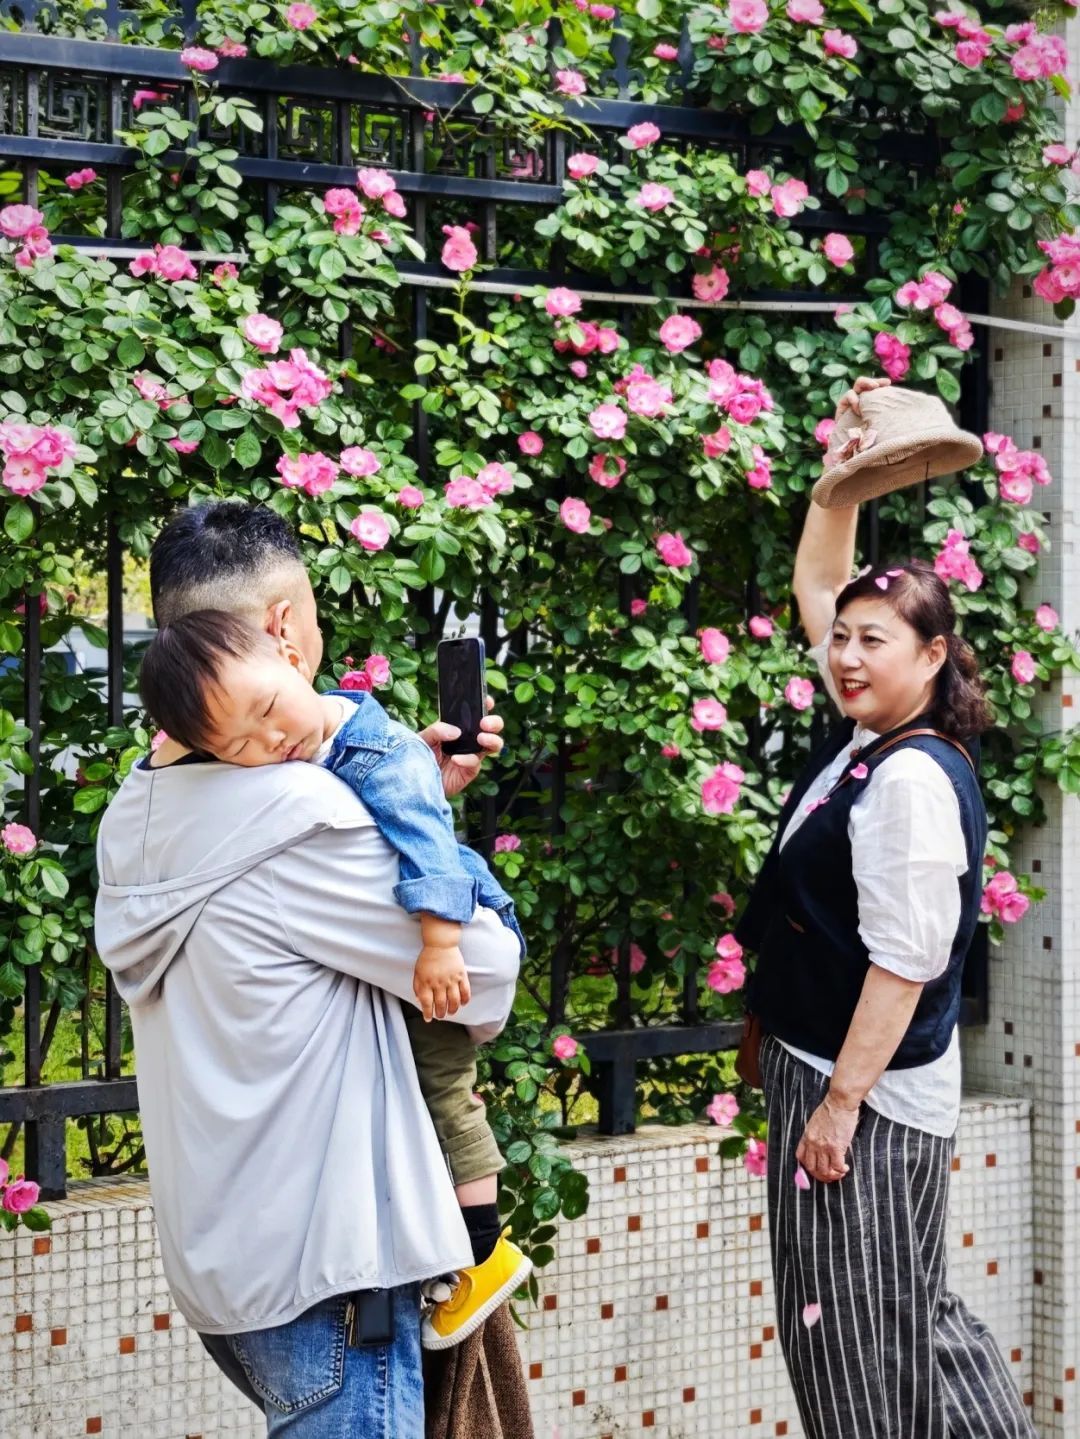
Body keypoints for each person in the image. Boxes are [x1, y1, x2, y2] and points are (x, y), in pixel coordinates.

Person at [94, 500, 522, 1437]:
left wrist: (406, 799)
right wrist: (419, 834)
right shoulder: (298, 814)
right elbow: (483, 970)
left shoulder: (136, 810)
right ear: (285, 628)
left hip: (227, 1268)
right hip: (332, 1273)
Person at [735, 377, 1036, 1438]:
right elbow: (822, 575)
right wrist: (844, 479)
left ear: (933, 655)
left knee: (853, 1341)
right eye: (845, 637)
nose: (848, 654)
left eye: (875, 640)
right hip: (845, 1073)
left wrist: (839, 1105)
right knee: (908, 1314)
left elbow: (905, 960)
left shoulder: (908, 778)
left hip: (863, 1093)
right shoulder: (874, 734)